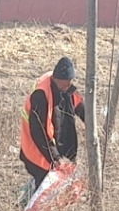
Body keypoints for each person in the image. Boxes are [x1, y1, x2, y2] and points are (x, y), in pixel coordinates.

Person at [19, 55, 86, 196]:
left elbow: (78, 105)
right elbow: (39, 133)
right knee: (44, 187)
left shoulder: (64, 87)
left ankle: (31, 195)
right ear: (56, 79)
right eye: (66, 83)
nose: (68, 86)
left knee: (60, 186)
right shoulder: (40, 95)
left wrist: (93, 126)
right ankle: (29, 202)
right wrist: (56, 158)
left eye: (70, 82)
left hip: (55, 144)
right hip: (36, 148)